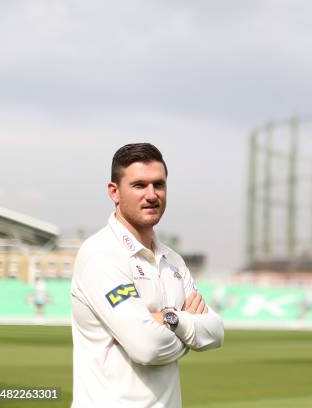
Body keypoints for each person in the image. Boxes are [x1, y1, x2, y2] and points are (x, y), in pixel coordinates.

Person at [71, 143, 224, 407]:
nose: (152, 195)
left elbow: (215, 332)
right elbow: (146, 346)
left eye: (159, 185)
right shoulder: (101, 254)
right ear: (114, 192)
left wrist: (168, 319)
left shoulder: (173, 260)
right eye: (139, 185)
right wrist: (187, 329)